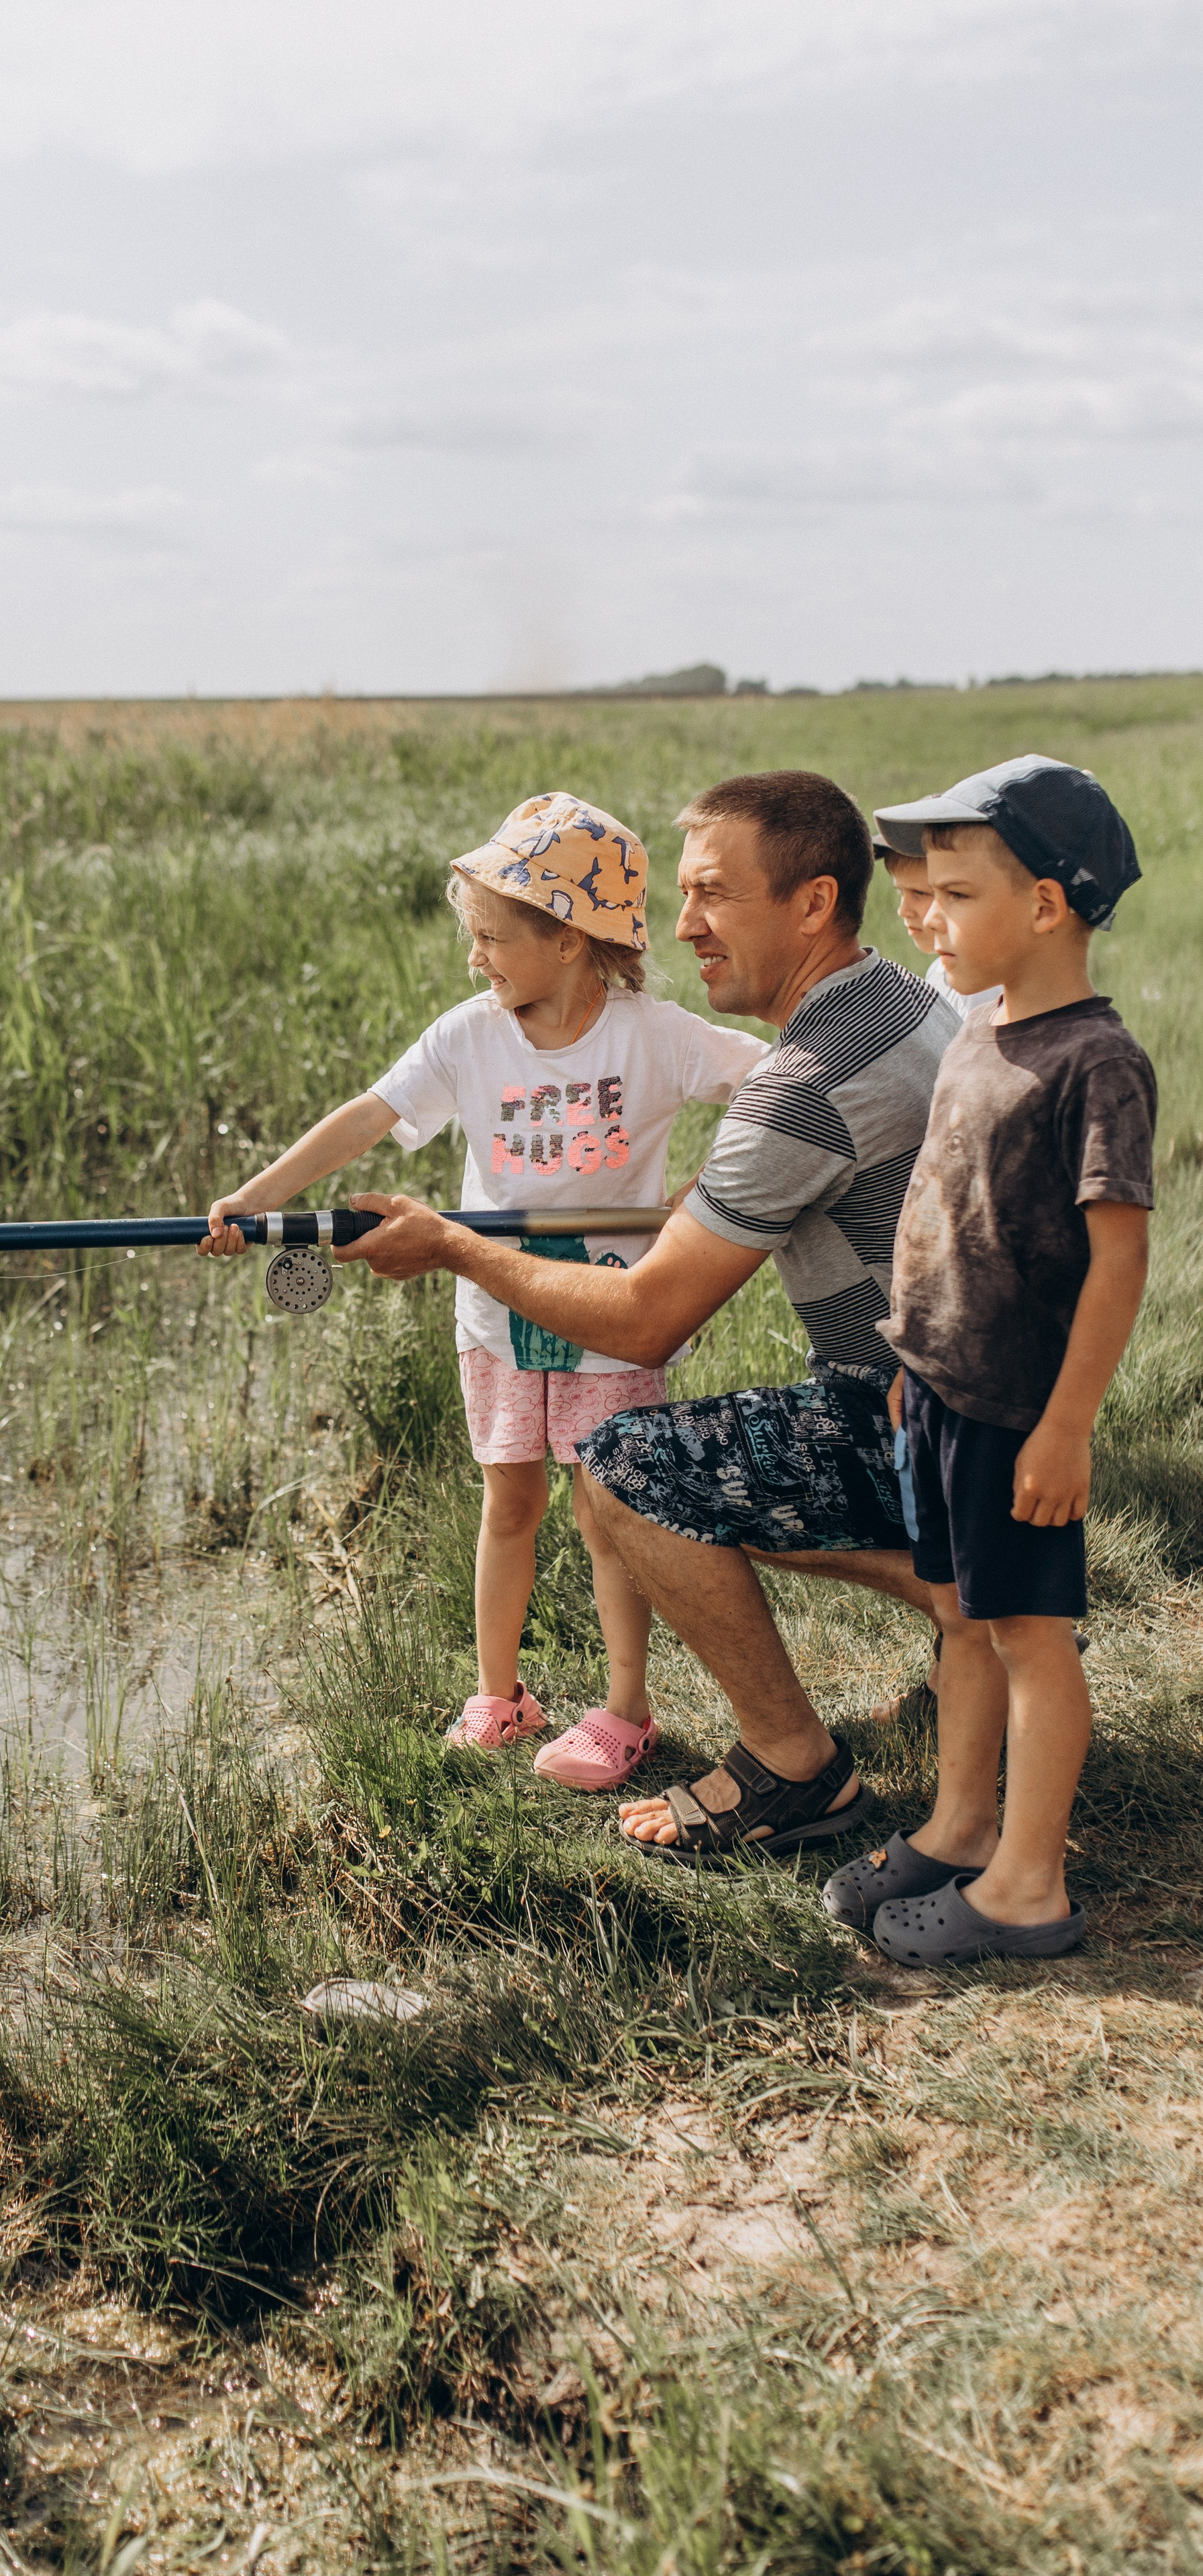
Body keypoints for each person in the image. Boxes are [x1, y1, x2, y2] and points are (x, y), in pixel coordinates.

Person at [337, 769, 957, 1858]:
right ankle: (975, 1600)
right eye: (681, 893)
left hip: (921, 1421)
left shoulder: (801, 1081)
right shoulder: (904, 1003)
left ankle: (797, 1762)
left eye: (714, 894)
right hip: (970, 1393)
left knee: (629, 1466)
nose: (682, 928)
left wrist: (451, 1245)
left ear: (812, 903)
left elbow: (643, 1322)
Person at [199, 792, 766, 1784]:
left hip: (608, 1314)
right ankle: (498, 1696)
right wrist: (253, 1198)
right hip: (495, 1316)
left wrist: (702, 1198)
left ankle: (624, 1710)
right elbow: (367, 1117)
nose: (478, 959)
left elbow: (782, 1086)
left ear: (572, 938)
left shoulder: (657, 1038)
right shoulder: (471, 1035)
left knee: (607, 1509)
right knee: (510, 1502)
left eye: (495, 938)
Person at [822, 755, 1152, 1962]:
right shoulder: (981, 1021)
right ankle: (962, 1829)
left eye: (954, 897)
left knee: (1027, 1635)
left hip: (1022, 1410)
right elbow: (947, 1207)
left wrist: (1066, 1428)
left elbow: (1118, 1260)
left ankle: (1027, 1886)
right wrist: (915, 1359)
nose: (926, 917)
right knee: (963, 1618)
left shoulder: (1094, 1062)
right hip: (943, 1392)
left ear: (1049, 906)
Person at [875, 835, 999, 1021]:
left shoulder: (980, 991)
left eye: (919, 893)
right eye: (900, 892)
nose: (903, 911)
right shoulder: (938, 971)